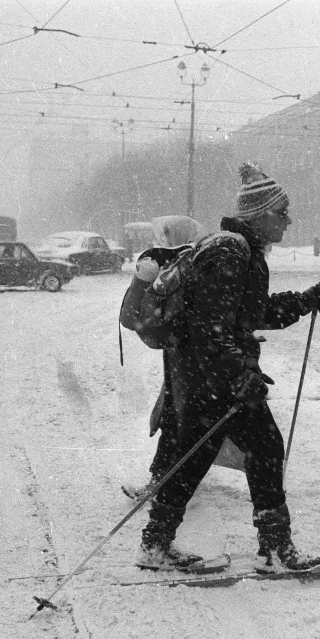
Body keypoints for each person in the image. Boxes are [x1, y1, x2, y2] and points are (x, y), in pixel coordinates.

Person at [135, 162, 320, 573]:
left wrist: (302, 301)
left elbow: (247, 313)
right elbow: (210, 326)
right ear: (260, 214)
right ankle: (276, 549)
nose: (288, 221)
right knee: (258, 450)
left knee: (199, 458)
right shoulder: (230, 251)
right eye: (282, 213)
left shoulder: (239, 251)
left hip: (204, 376)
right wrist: (239, 376)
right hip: (215, 379)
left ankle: (157, 545)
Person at [120, 215, 206, 503]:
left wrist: (142, 282)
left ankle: (169, 489)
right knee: (178, 424)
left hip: (193, 363)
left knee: (184, 427)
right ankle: (166, 482)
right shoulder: (182, 265)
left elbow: (134, 320)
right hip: (187, 362)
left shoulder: (185, 268)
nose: (158, 245)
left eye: (163, 238)